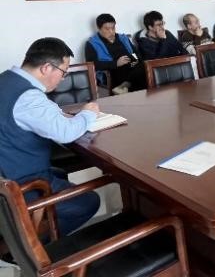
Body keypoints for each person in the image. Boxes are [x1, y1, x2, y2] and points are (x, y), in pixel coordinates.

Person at [0, 38, 100, 235]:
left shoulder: (6, 79)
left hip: (8, 168)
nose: (63, 78)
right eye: (63, 72)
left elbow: (36, 114)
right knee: (88, 202)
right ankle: (34, 245)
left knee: (60, 173)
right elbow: (65, 133)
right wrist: (88, 113)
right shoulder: (28, 98)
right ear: (46, 68)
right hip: (21, 185)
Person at [85, 13, 146, 94]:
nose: (111, 32)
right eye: (107, 29)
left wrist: (131, 59)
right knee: (140, 74)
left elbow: (137, 54)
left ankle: (125, 85)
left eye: (113, 28)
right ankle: (127, 87)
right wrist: (116, 63)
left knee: (144, 65)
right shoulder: (92, 43)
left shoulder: (123, 38)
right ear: (99, 28)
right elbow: (92, 65)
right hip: (112, 71)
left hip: (131, 66)